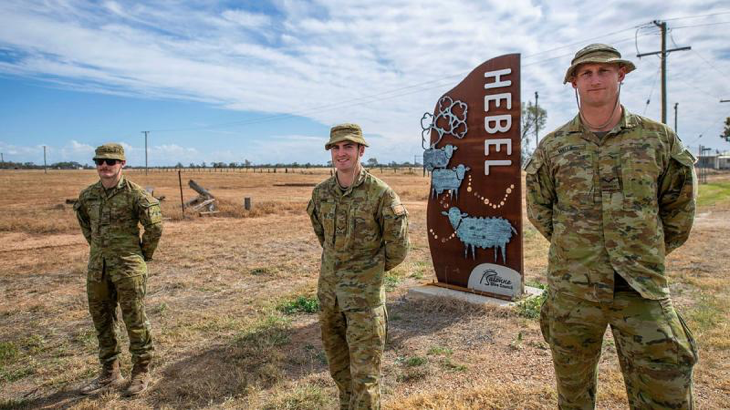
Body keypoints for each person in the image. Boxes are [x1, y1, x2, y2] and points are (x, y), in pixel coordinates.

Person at [525, 44, 698, 409]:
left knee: (665, 390)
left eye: (604, 71)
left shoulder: (658, 139)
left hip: (641, 288)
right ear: (573, 83)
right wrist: (578, 247)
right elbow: (540, 209)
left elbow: (678, 209)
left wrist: (642, 249)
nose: (595, 79)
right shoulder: (554, 147)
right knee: (572, 393)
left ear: (621, 74)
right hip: (574, 290)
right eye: (585, 73)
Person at [307, 123, 410, 409]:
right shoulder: (321, 194)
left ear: (361, 150)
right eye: (336, 148)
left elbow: (398, 248)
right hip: (330, 300)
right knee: (340, 373)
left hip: (365, 303)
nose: (341, 153)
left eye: (348, 147)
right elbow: (323, 238)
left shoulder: (381, 195)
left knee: (364, 379)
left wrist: (368, 271)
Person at [74, 143, 163, 396]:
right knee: (102, 320)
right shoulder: (88, 195)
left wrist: (142, 254)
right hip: (98, 269)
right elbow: (83, 220)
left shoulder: (136, 195)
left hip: (128, 268)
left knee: (134, 319)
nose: (104, 165)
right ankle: (110, 372)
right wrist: (97, 246)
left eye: (110, 161)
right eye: (99, 161)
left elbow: (154, 227)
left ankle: (141, 371)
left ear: (122, 164)